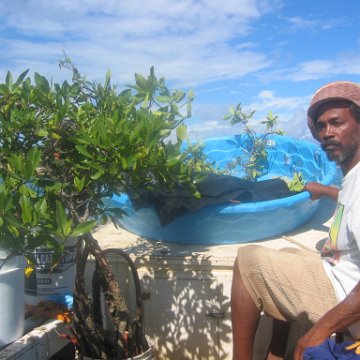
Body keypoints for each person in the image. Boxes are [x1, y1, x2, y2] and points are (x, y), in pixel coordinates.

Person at [231, 81, 360, 360]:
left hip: (348, 296)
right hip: (342, 276)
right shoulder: (354, 174)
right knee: (287, 254)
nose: (327, 133)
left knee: (247, 261)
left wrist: (319, 331)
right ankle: (275, 355)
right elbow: (351, 201)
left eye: (337, 123)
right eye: (322, 126)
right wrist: (324, 190)